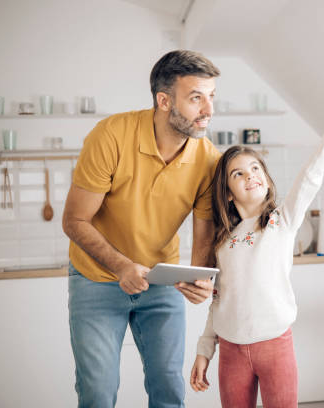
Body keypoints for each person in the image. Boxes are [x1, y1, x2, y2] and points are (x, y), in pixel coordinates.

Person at [190, 85, 324, 407]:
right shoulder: (222, 240)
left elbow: (311, 175)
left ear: (268, 179)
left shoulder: (281, 220)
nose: (250, 175)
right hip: (230, 349)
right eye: (238, 173)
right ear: (228, 192)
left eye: (256, 168)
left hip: (275, 345)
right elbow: (217, 301)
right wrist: (205, 351)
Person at [62, 50, 221, 408]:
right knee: (98, 391)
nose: (208, 109)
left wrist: (198, 277)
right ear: (164, 101)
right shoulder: (112, 135)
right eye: (196, 97)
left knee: (168, 389)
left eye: (212, 97)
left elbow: (204, 232)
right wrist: (120, 266)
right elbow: (74, 220)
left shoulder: (208, 158)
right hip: (96, 278)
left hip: (160, 279)